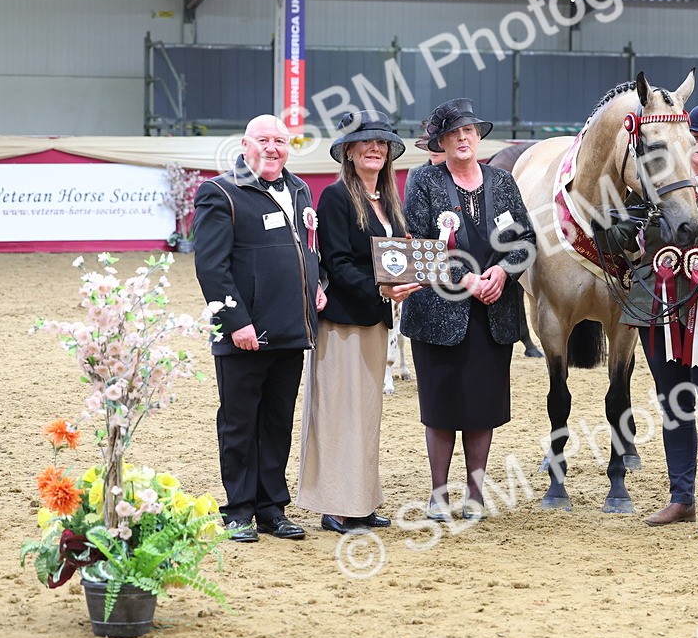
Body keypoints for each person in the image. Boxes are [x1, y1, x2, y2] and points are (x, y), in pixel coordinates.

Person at [604, 102, 698, 534]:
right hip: (657, 317)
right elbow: (617, 243)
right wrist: (608, 221)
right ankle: (681, 498)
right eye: (695, 141)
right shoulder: (650, 195)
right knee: (674, 407)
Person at [400, 98, 535, 521]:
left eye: (469, 131)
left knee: (482, 407)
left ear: (478, 137)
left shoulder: (503, 181)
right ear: (440, 142)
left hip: (494, 314)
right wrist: (467, 280)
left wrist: (503, 273)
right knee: (441, 407)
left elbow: (525, 240)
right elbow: (417, 243)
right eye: (454, 133)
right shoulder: (423, 181)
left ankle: (475, 495)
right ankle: (438, 495)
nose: (463, 138)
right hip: (438, 314)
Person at [193, 114, 326, 542]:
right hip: (245, 335)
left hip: (291, 329)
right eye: (263, 140)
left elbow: (308, 248)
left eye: (280, 141)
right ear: (245, 145)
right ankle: (238, 510)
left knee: (276, 423)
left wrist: (317, 284)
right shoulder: (220, 192)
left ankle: (271, 509)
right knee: (239, 424)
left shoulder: (300, 189)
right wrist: (236, 323)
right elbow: (211, 267)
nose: (272, 148)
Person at [296, 111, 421, 534]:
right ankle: (335, 506)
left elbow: (390, 259)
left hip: (375, 320)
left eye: (382, 143)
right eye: (366, 142)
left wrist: (408, 266)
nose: (375, 148)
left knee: (365, 415)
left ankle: (360, 502)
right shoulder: (336, 197)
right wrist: (381, 288)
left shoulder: (389, 202)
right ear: (349, 151)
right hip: (342, 323)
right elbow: (338, 263)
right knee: (339, 414)